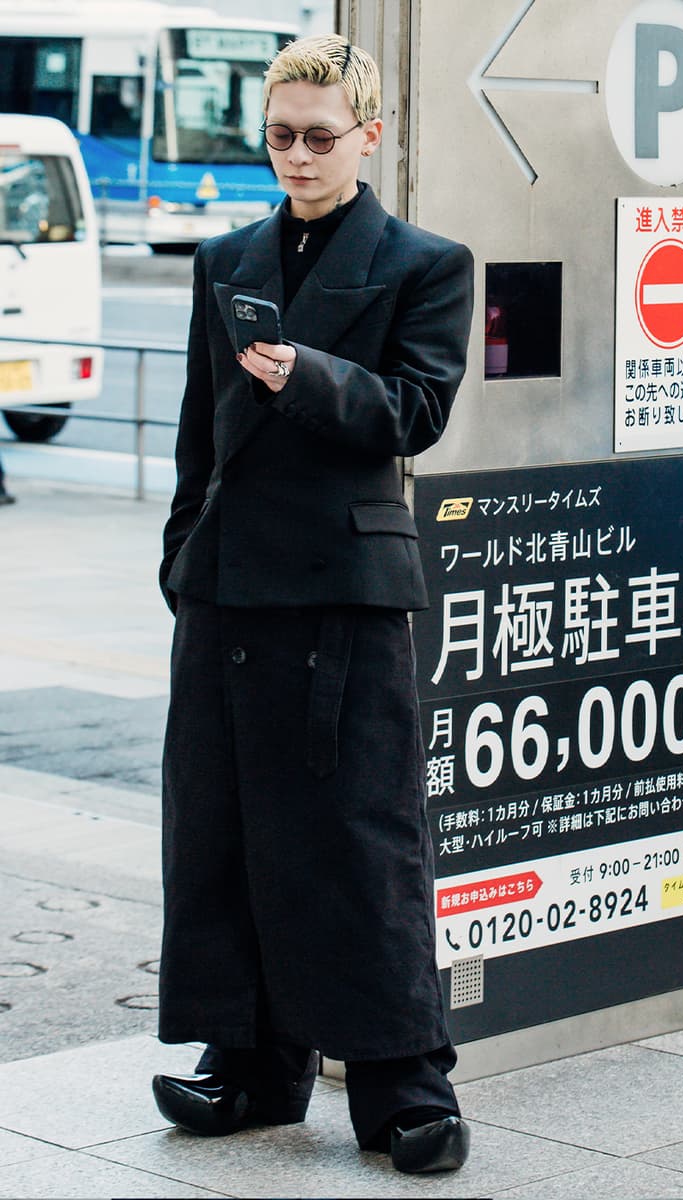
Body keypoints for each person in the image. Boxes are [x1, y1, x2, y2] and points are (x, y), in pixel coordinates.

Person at [151, 34, 474, 1175]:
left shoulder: (424, 263)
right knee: (221, 826)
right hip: (227, 584)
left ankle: (400, 1088)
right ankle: (249, 1064)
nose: (294, 155)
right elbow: (200, 429)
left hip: (344, 585)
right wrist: (181, 549)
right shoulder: (225, 255)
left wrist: (314, 376)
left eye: (318, 137)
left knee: (358, 835)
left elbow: (418, 412)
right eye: (279, 135)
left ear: (368, 136)